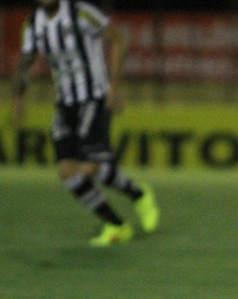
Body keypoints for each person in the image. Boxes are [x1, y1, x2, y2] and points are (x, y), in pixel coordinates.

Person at [11, 0, 160, 247]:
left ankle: (138, 194)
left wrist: (114, 87)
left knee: (90, 166)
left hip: (94, 97)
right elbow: (25, 62)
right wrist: (18, 100)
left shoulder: (80, 12)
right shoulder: (32, 24)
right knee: (67, 172)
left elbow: (118, 39)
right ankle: (116, 225)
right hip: (64, 103)